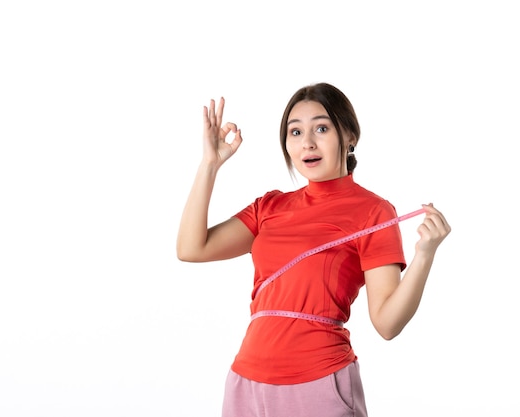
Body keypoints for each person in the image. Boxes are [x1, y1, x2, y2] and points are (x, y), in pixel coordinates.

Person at [176, 82, 451, 417]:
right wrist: (209, 164)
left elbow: (387, 324)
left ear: (349, 136)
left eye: (321, 128)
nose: (307, 142)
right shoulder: (270, 206)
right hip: (246, 382)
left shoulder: (373, 212)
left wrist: (424, 256)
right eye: (295, 132)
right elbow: (192, 248)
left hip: (320, 384)